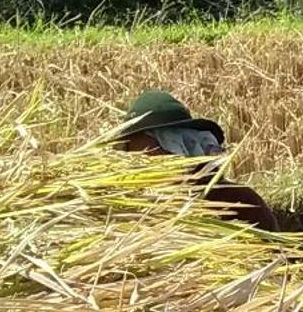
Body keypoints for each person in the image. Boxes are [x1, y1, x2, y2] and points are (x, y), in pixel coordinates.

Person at [110, 89, 277, 231]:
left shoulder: (238, 202)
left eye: (148, 155)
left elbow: (279, 260)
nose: (139, 166)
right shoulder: (117, 209)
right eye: (132, 158)